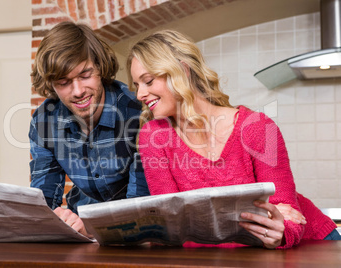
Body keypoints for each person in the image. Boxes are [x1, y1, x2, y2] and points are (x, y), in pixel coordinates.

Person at [128, 29, 340, 249]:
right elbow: (173, 224)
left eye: (148, 81)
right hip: (238, 255)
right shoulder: (153, 136)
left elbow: (289, 216)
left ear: (182, 70)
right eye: (137, 85)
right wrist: (245, 216)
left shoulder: (257, 127)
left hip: (314, 245)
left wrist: (281, 228)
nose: (140, 94)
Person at [0, 21, 150, 241]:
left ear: (100, 68)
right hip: (79, 233)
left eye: (85, 75)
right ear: (51, 84)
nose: (78, 91)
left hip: (135, 238)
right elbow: (44, 202)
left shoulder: (138, 113)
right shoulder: (44, 120)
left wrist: (90, 228)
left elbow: (138, 209)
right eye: (64, 82)